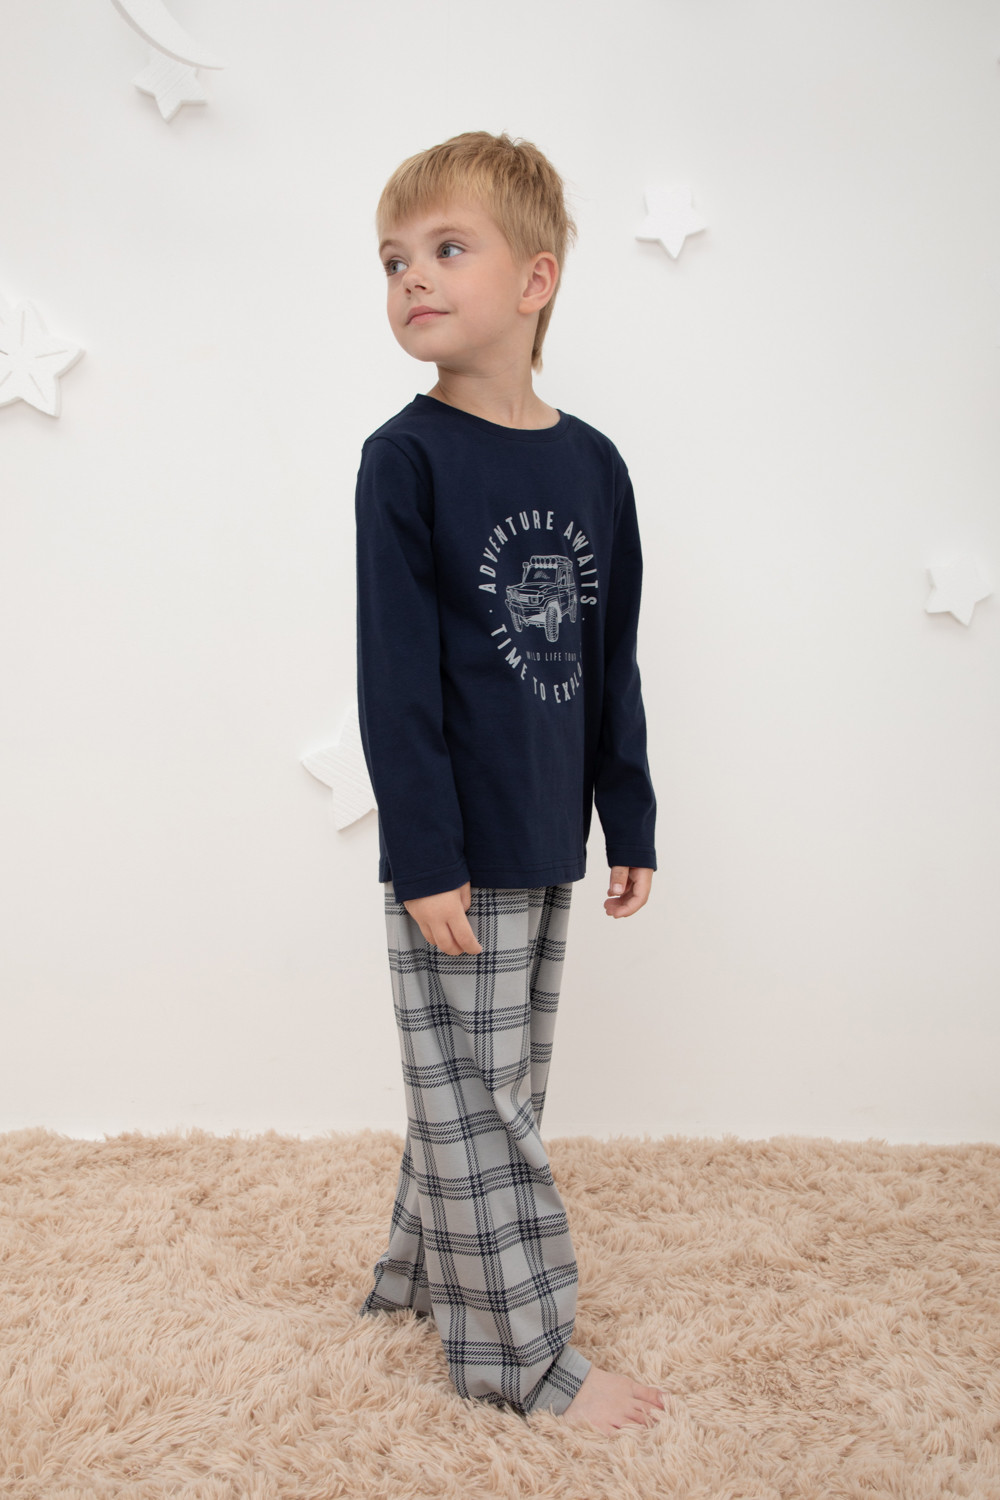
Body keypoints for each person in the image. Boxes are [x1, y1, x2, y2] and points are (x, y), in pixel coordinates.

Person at [354, 130, 663, 1436]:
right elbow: (395, 676)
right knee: (481, 1100)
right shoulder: (406, 459)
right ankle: (523, 1362)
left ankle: (416, 1284)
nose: (412, 278)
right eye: (392, 261)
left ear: (536, 280)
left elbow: (608, 654)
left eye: (446, 248)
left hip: (548, 833)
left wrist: (627, 811)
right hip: (456, 852)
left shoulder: (593, 466)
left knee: (491, 1091)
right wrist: (425, 855)